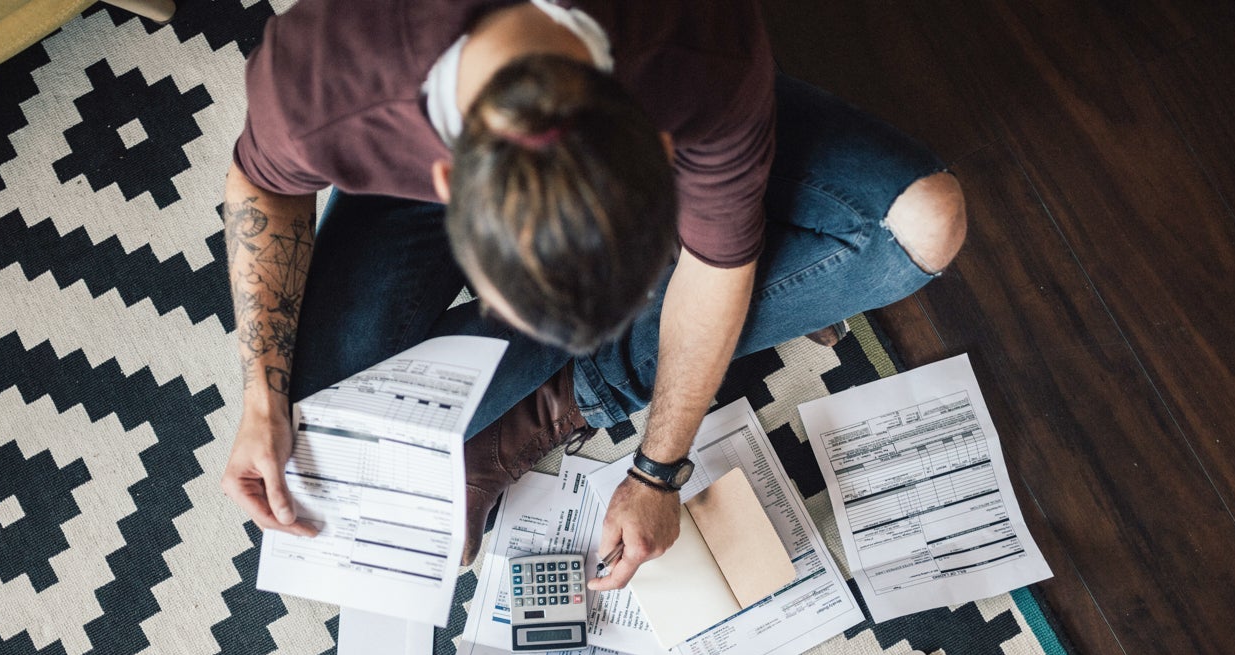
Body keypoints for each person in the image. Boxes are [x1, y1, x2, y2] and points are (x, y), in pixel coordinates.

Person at [219, 0, 965, 592]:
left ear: (662, 151)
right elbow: (262, 186)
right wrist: (262, 397)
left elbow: (717, 266)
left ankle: (568, 396)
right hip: (412, 119)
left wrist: (658, 468)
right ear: (446, 183)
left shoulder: (700, 51)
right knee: (320, 429)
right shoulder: (325, 79)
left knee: (923, 225)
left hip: (685, 81)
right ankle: (670, 309)